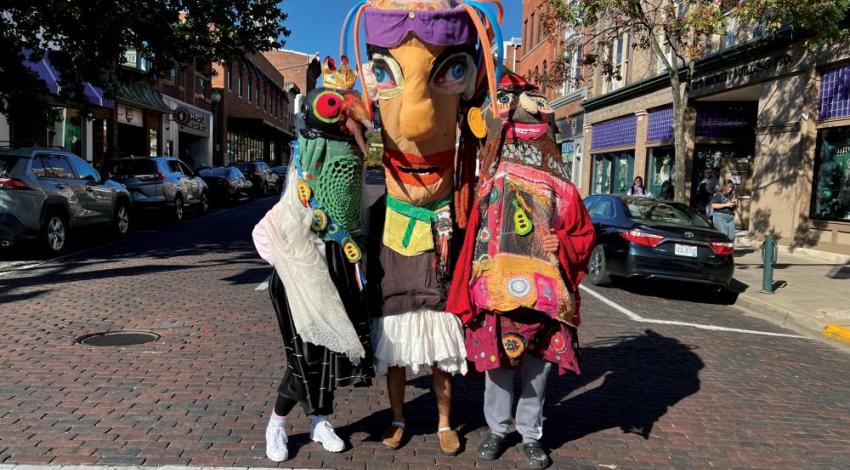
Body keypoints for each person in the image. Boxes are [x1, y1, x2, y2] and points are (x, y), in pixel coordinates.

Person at [343, 0, 505, 455]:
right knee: (394, 347)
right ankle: (398, 417)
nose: (417, 123)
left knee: (441, 349)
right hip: (394, 251)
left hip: (439, 249)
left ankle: (444, 422)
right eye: (383, 72)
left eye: (453, 71)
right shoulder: (378, 213)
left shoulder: (459, 206)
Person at [448, 73, 595, 469]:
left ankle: (531, 434)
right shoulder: (489, 170)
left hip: (543, 292)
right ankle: (497, 430)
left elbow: (582, 232)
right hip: (495, 286)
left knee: (537, 371)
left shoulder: (560, 182)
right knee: (496, 366)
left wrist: (560, 242)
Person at [253, 59, 374, 463]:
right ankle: (277, 424)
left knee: (332, 352)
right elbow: (292, 212)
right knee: (305, 355)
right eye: (333, 104)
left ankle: (320, 420)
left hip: (341, 263)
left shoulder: (353, 154)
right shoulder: (308, 153)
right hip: (304, 268)